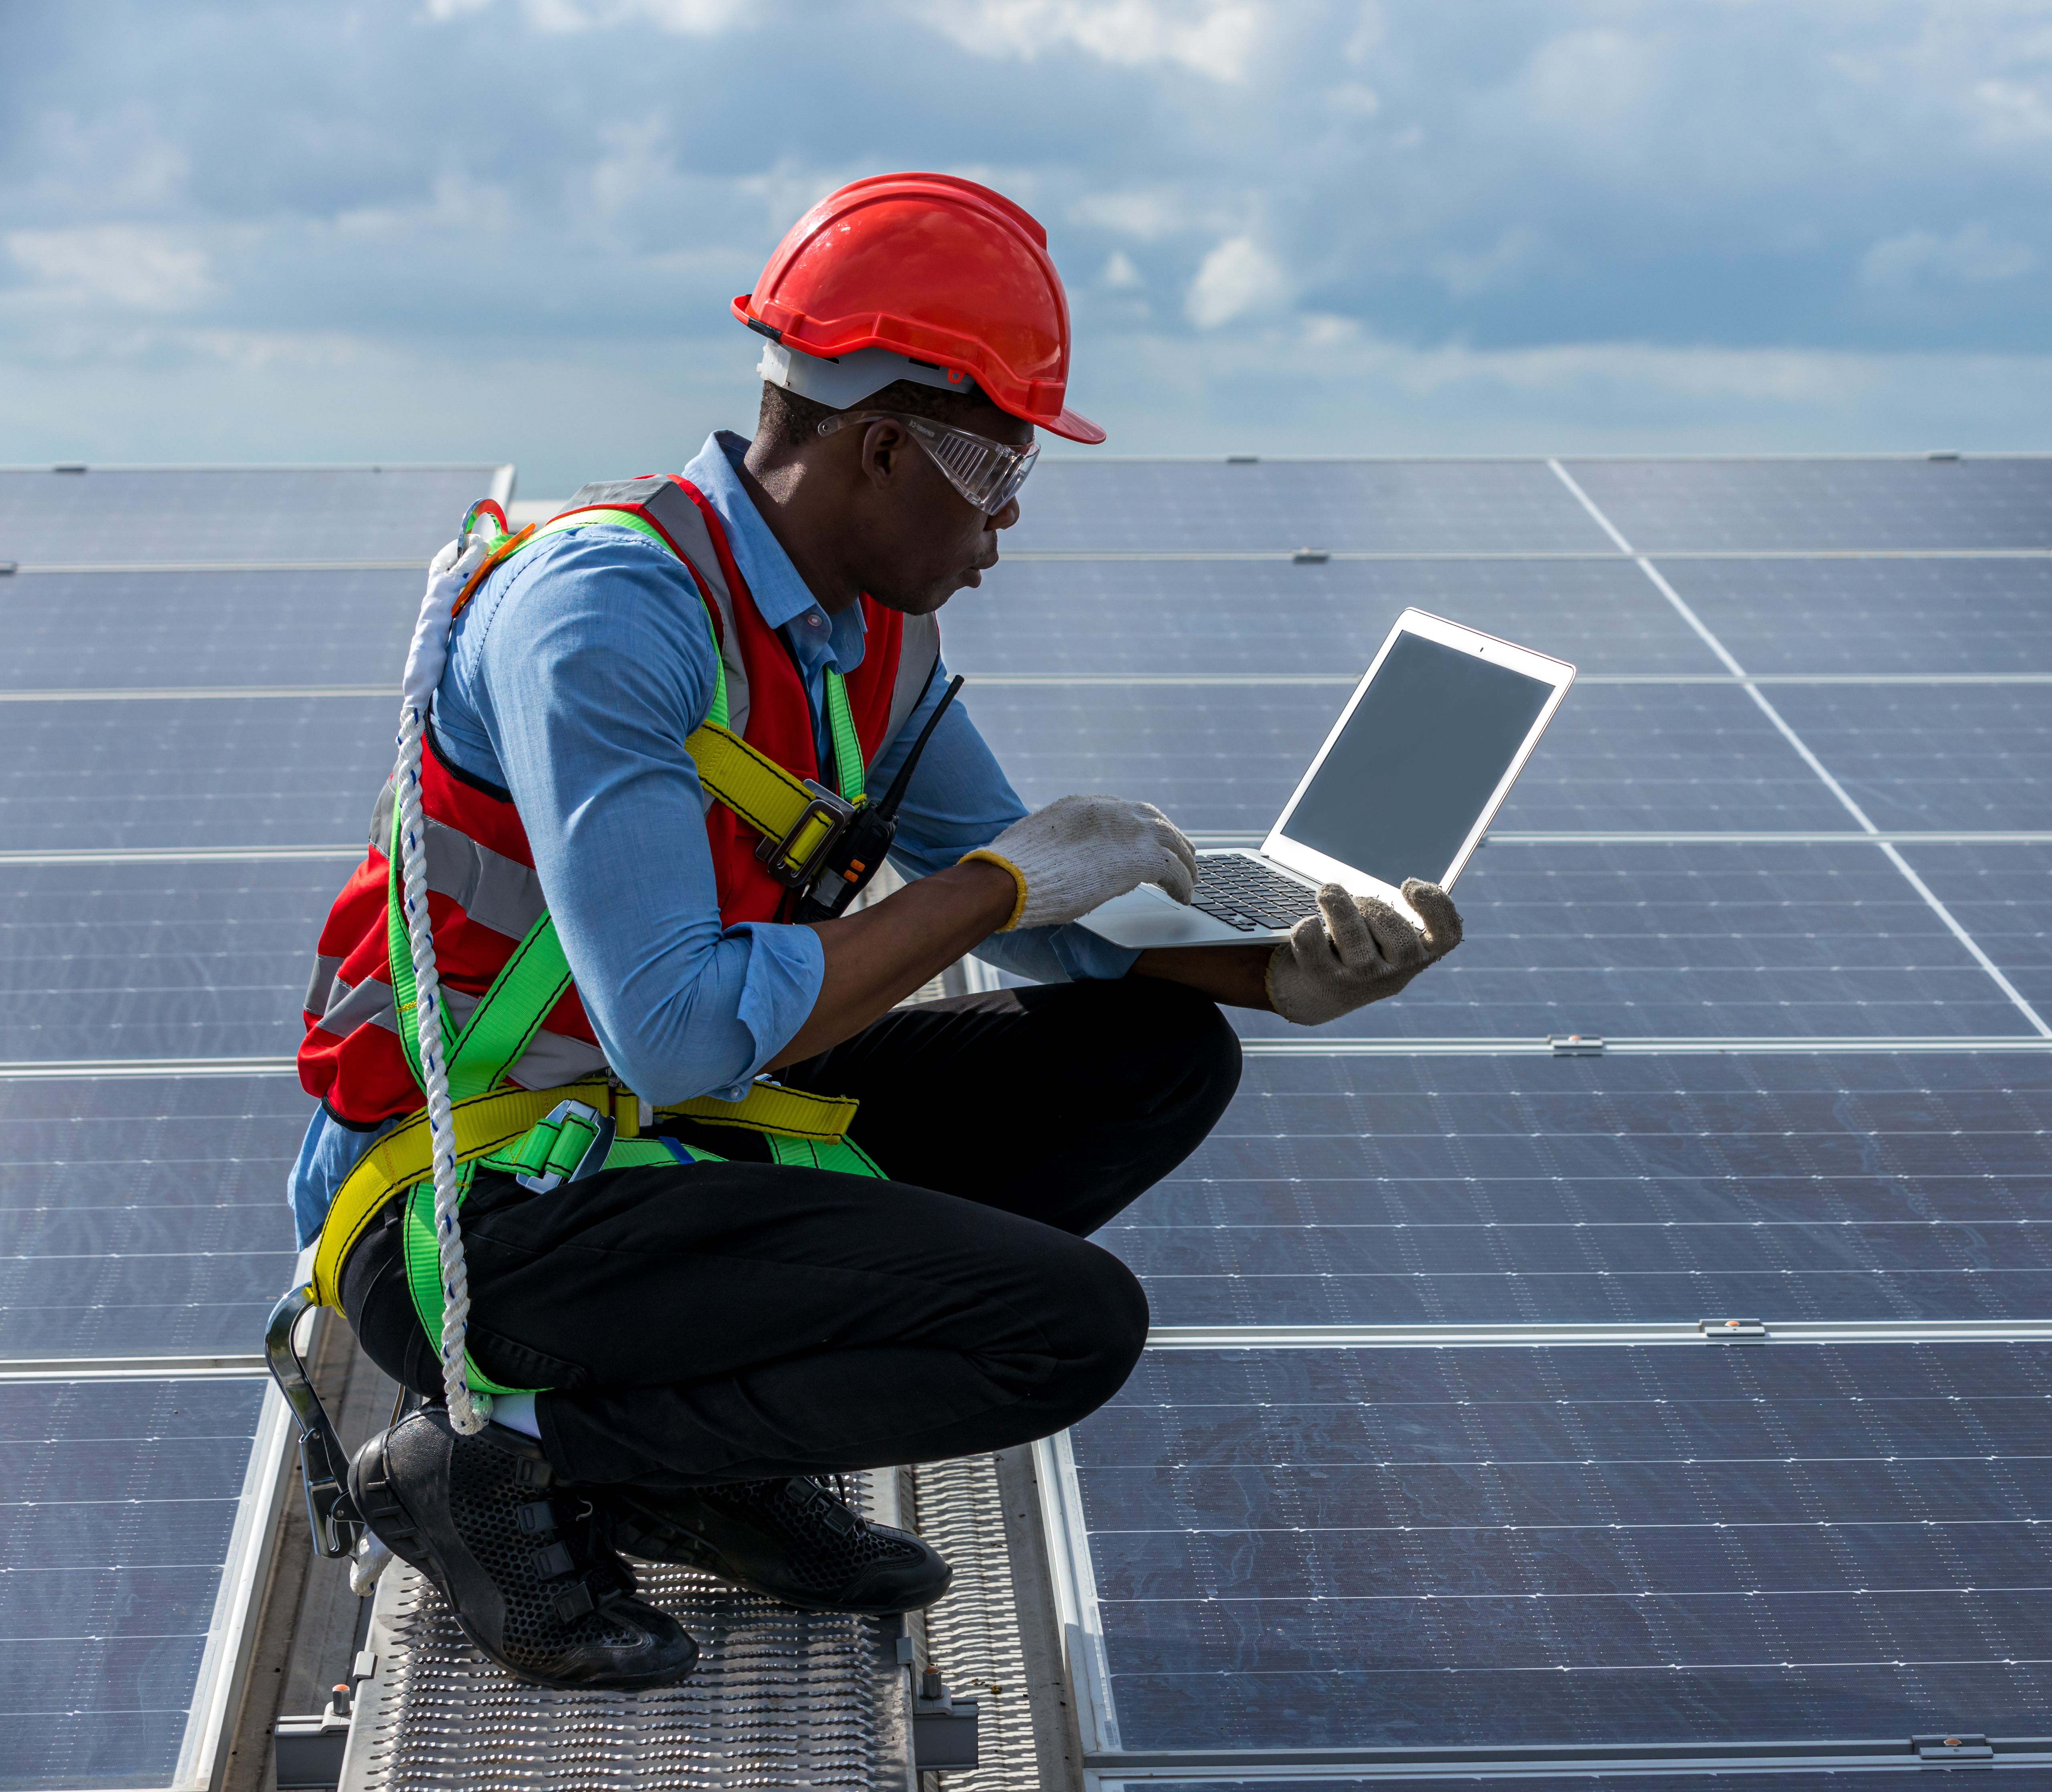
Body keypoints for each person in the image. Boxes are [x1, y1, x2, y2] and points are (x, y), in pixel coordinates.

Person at [284, 173, 1465, 1690]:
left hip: (664, 1141)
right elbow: (684, 1022)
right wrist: (998, 885)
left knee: (1156, 1053)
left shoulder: (864, 636)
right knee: (1062, 1332)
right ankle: (490, 1452)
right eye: (1000, 466)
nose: (1011, 514)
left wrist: (1276, 971)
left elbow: (1044, 917)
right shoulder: (606, 617)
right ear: (885, 445)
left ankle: (688, 1469)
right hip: (479, 1214)